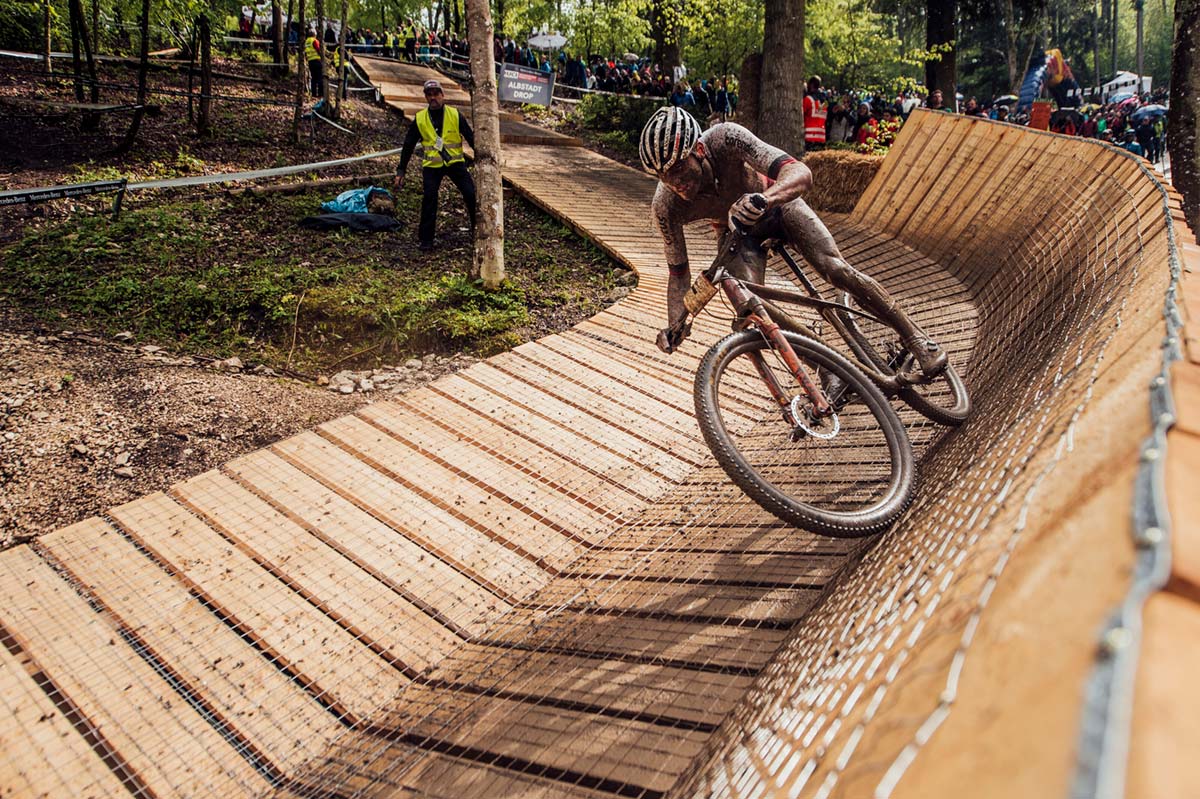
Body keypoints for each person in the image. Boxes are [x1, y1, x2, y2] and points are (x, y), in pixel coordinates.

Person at [638, 106, 947, 377]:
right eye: (663, 176)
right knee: (752, 310)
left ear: (699, 151)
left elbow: (799, 172)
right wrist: (674, 324)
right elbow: (678, 274)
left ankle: (917, 338)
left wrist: (766, 198)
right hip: (737, 234)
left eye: (678, 168)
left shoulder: (726, 139)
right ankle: (827, 371)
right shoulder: (665, 206)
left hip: (776, 205)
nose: (673, 181)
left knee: (834, 269)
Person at [394, 80, 477, 251]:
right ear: (426, 96)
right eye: (429, 94)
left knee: (470, 193)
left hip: (455, 163)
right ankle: (426, 240)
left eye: (436, 94)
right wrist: (401, 170)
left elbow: (471, 137)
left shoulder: (455, 115)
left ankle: (478, 231)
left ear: (442, 95)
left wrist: (483, 158)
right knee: (429, 198)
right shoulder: (420, 118)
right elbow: (408, 145)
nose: (433, 98)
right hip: (432, 166)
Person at [803, 76, 828, 150]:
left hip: (809, 137)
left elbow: (801, 114)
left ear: (811, 85)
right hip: (821, 137)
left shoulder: (808, 99)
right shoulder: (825, 102)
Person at [304, 28, 324, 97]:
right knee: (320, 78)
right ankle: (321, 93)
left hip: (310, 61)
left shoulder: (306, 41)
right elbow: (318, 49)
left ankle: (314, 93)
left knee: (313, 78)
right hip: (317, 60)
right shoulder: (315, 41)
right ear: (314, 34)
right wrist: (323, 57)